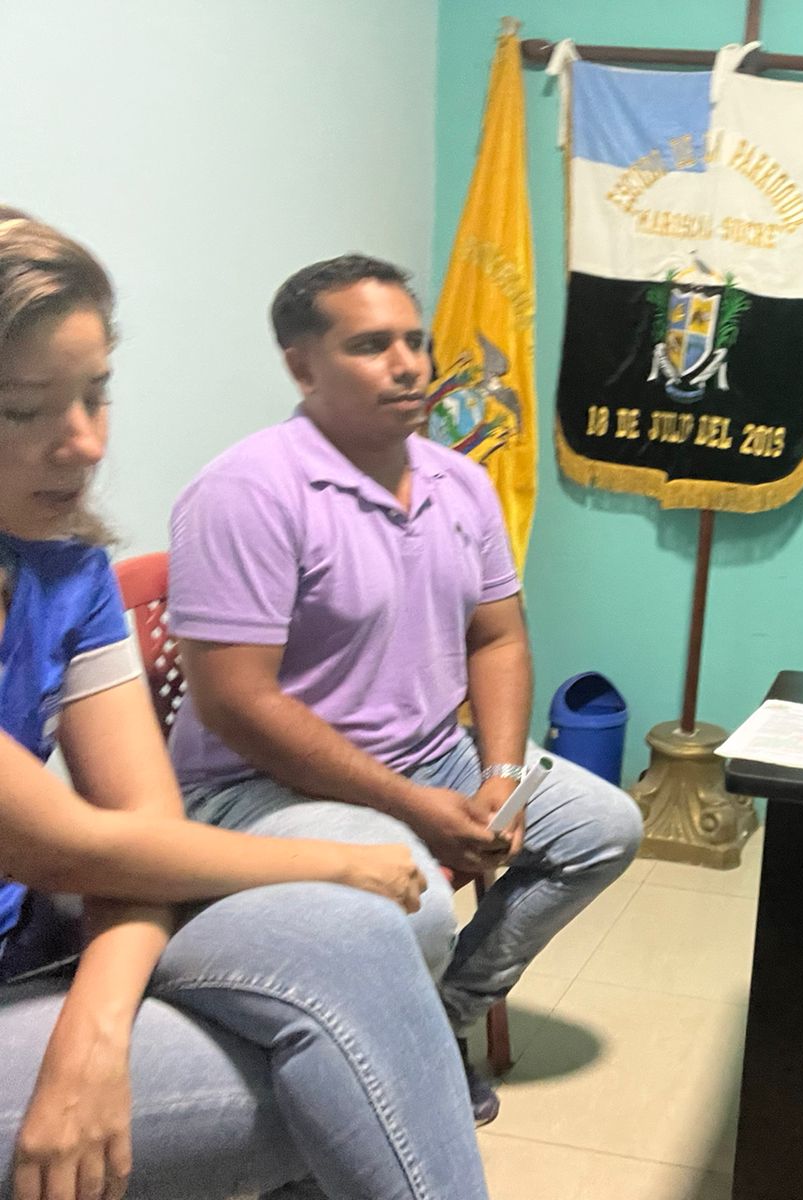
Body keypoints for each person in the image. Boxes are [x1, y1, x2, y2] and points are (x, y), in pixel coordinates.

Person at [0, 211, 490, 1198]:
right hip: (179, 838)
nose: (84, 443)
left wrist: (95, 1029)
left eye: (97, 394)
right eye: (23, 409)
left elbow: (139, 831)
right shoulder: (253, 487)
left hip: (39, 943)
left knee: (360, 947)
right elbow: (62, 844)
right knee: (358, 1077)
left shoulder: (67, 572)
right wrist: (336, 859)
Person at [167, 253, 644, 1123]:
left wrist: (500, 774)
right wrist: (415, 807)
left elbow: (498, 637)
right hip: (260, 786)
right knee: (413, 904)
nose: (409, 365)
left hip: (434, 756)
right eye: (371, 345)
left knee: (603, 827)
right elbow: (238, 705)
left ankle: (437, 1020)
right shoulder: (246, 491)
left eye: (415, 342)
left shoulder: (460, 480)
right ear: (302, 367)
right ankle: (389, 1070)